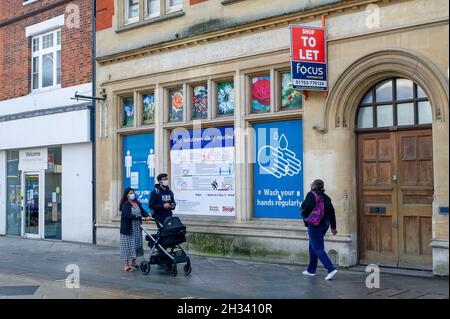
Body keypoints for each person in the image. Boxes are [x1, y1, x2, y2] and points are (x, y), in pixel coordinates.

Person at [301, 179, 338, 280]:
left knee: (317, 248)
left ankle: (330, 269)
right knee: (312, 246)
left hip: (314, 224)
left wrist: (304, 217)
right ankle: (311, 270)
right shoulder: (326, 197)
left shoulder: (311, 194)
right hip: (324, 224)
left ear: (314, 185)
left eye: (311, 184)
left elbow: (305, 208)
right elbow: (332, 212)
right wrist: (333, 227)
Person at [119, 188, 150, 272]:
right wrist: (140, 218)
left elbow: (143, 211)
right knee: (127, 247)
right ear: (127, 195)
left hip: (137, 228)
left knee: (135, 245)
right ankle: (126, 265)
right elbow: (128, 215)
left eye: (133, 193)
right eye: (130, 193)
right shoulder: (125, 205)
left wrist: (147, 215)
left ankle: (133, 262)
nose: (132, 194)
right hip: (128, 229)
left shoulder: (136, 203)